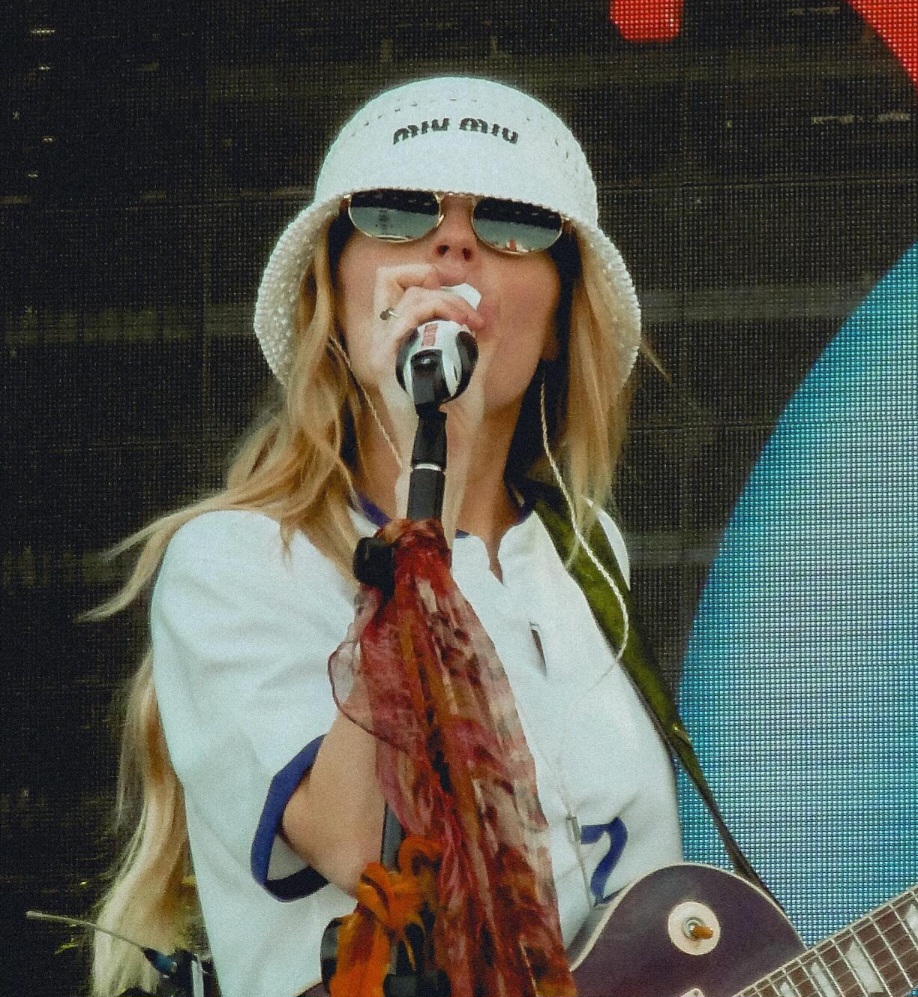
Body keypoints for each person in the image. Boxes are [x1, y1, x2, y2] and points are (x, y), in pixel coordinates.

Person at [89, 76, 685, 997]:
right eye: (399, 211)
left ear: (562, 316)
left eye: (514, 221)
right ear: (334, 289)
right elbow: (362, 840)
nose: (453, 242)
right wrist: (427, 452)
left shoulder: (584, 551)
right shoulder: (234, 564)